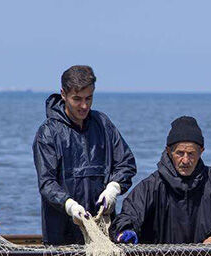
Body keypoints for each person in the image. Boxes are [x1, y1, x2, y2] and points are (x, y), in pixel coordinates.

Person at [33, 65, 136, 245]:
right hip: (61, 235)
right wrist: (69, 205)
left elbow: (126, 163)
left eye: (89, 98)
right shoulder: (48, 133)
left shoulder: (103, 124)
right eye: (77, 99)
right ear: (63, 94)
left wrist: (113, 188)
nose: (84, 106)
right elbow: (47, 183)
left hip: (102, 230)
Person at [110, 117, 211, 244]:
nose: (185, 160)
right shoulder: (151, 186)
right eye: (180, 153)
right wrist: (126, 230)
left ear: (201, 151)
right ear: (169, 151)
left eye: (191, 154)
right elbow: (128, 215)